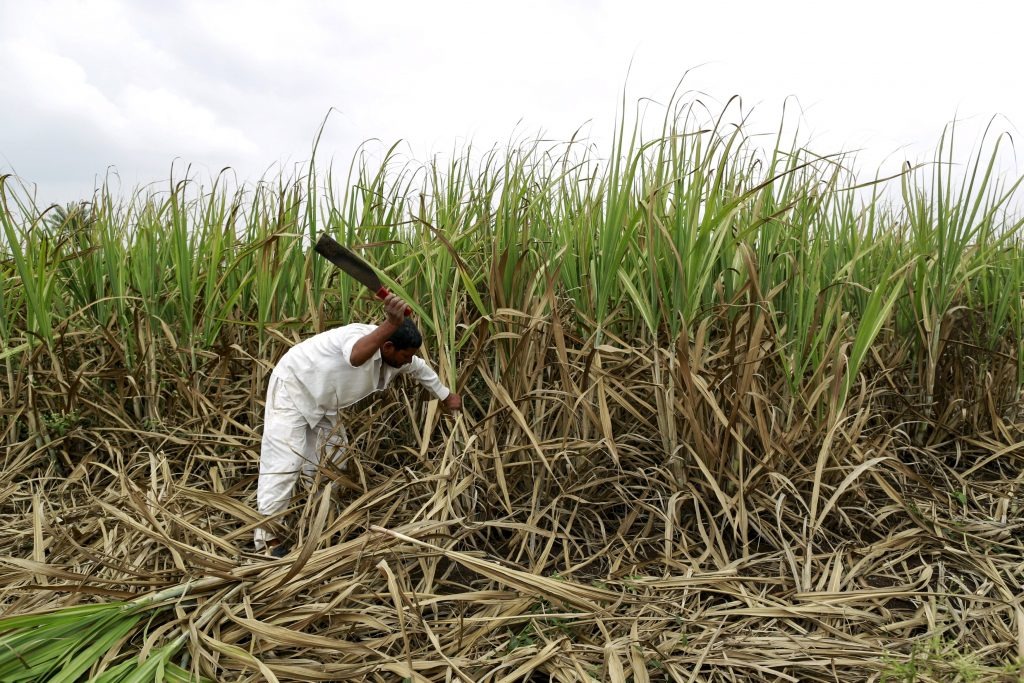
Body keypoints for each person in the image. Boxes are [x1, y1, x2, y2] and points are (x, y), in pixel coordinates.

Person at [255, 293, 461, 555]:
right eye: (406, 356)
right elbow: (355, 357)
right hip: (293, 389)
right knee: (284, 465)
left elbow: (420, 369)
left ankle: (318, 524)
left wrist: (446, 396)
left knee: (334, 463)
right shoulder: (354, 337)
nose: (409, 361)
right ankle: (268, 542)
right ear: (387, 347)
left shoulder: (399, 358)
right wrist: (390, 323)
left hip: (326, 403)